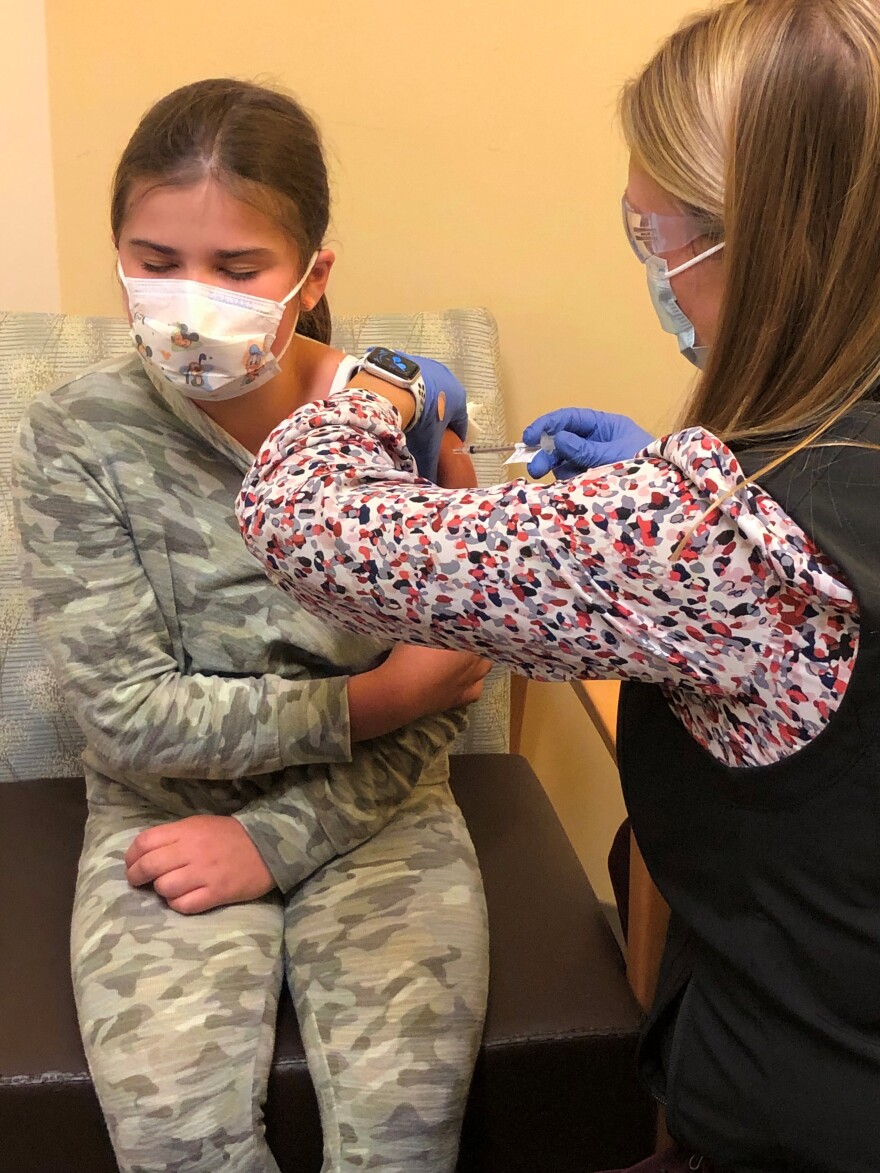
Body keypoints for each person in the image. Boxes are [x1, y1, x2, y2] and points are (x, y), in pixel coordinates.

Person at [235, 2, 880, 1170]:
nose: (650, 273)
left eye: (653, 238)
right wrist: (655, 486)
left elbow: (301, 527)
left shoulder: (713, 533)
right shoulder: (778, 493)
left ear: (770, 242)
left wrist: (362, 387)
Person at [12, 78, 491, 1173]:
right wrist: (379, 696)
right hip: (161, 820)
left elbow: (454, 681)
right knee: (179, 1141)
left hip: (380, 814)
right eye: (154, 260)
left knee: (403, 1142)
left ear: (311, 274)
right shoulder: (77, 437)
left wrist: (274, 840)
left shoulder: (395, 424)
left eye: (237, 270)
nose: (190, 300)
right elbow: (127, 717)